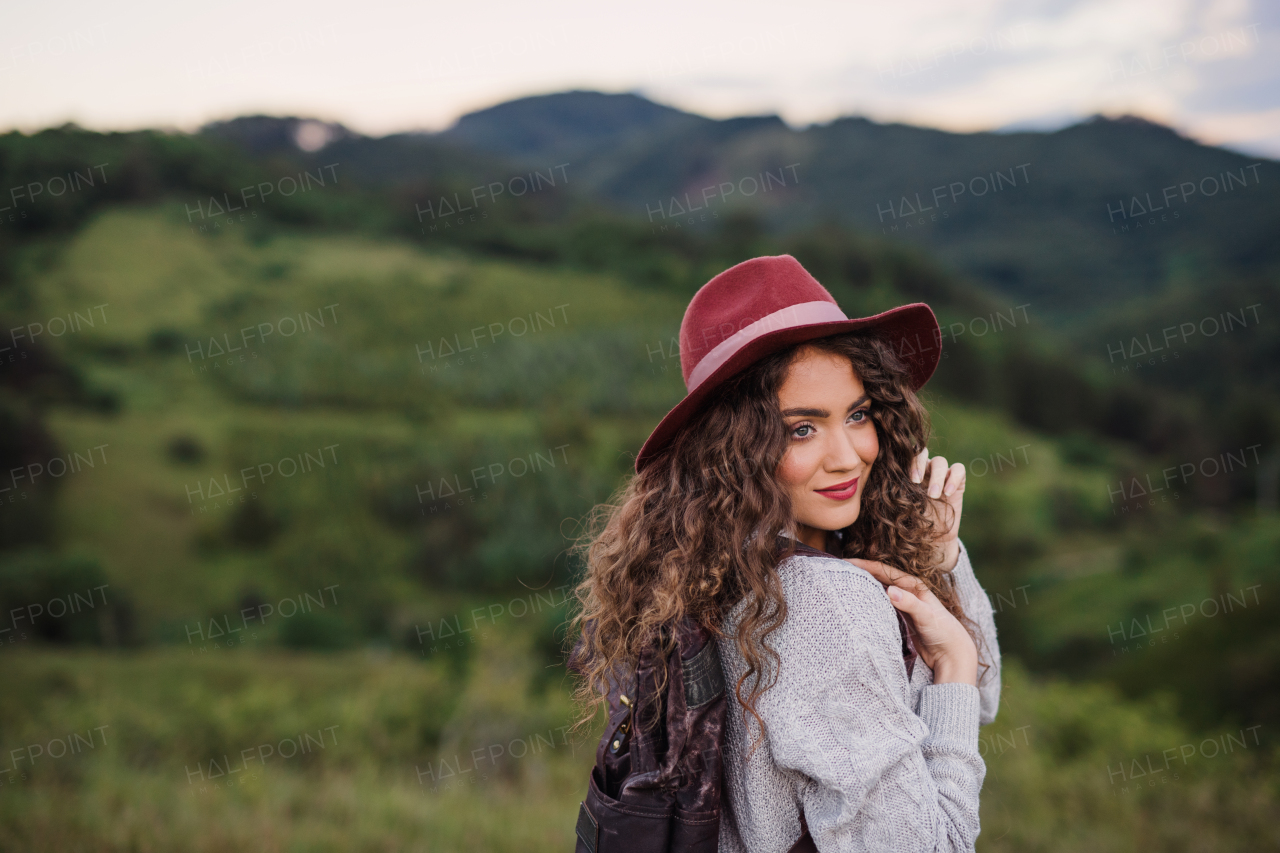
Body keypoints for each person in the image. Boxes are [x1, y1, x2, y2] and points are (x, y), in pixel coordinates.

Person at [571, 255, 1001, 852]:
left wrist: (943, 559)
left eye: (858, 415)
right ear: (739, 449)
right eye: (802, 428)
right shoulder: (826, 604)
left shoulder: (717, 570)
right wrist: (953, 664)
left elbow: (979, 700)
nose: (848, 455)